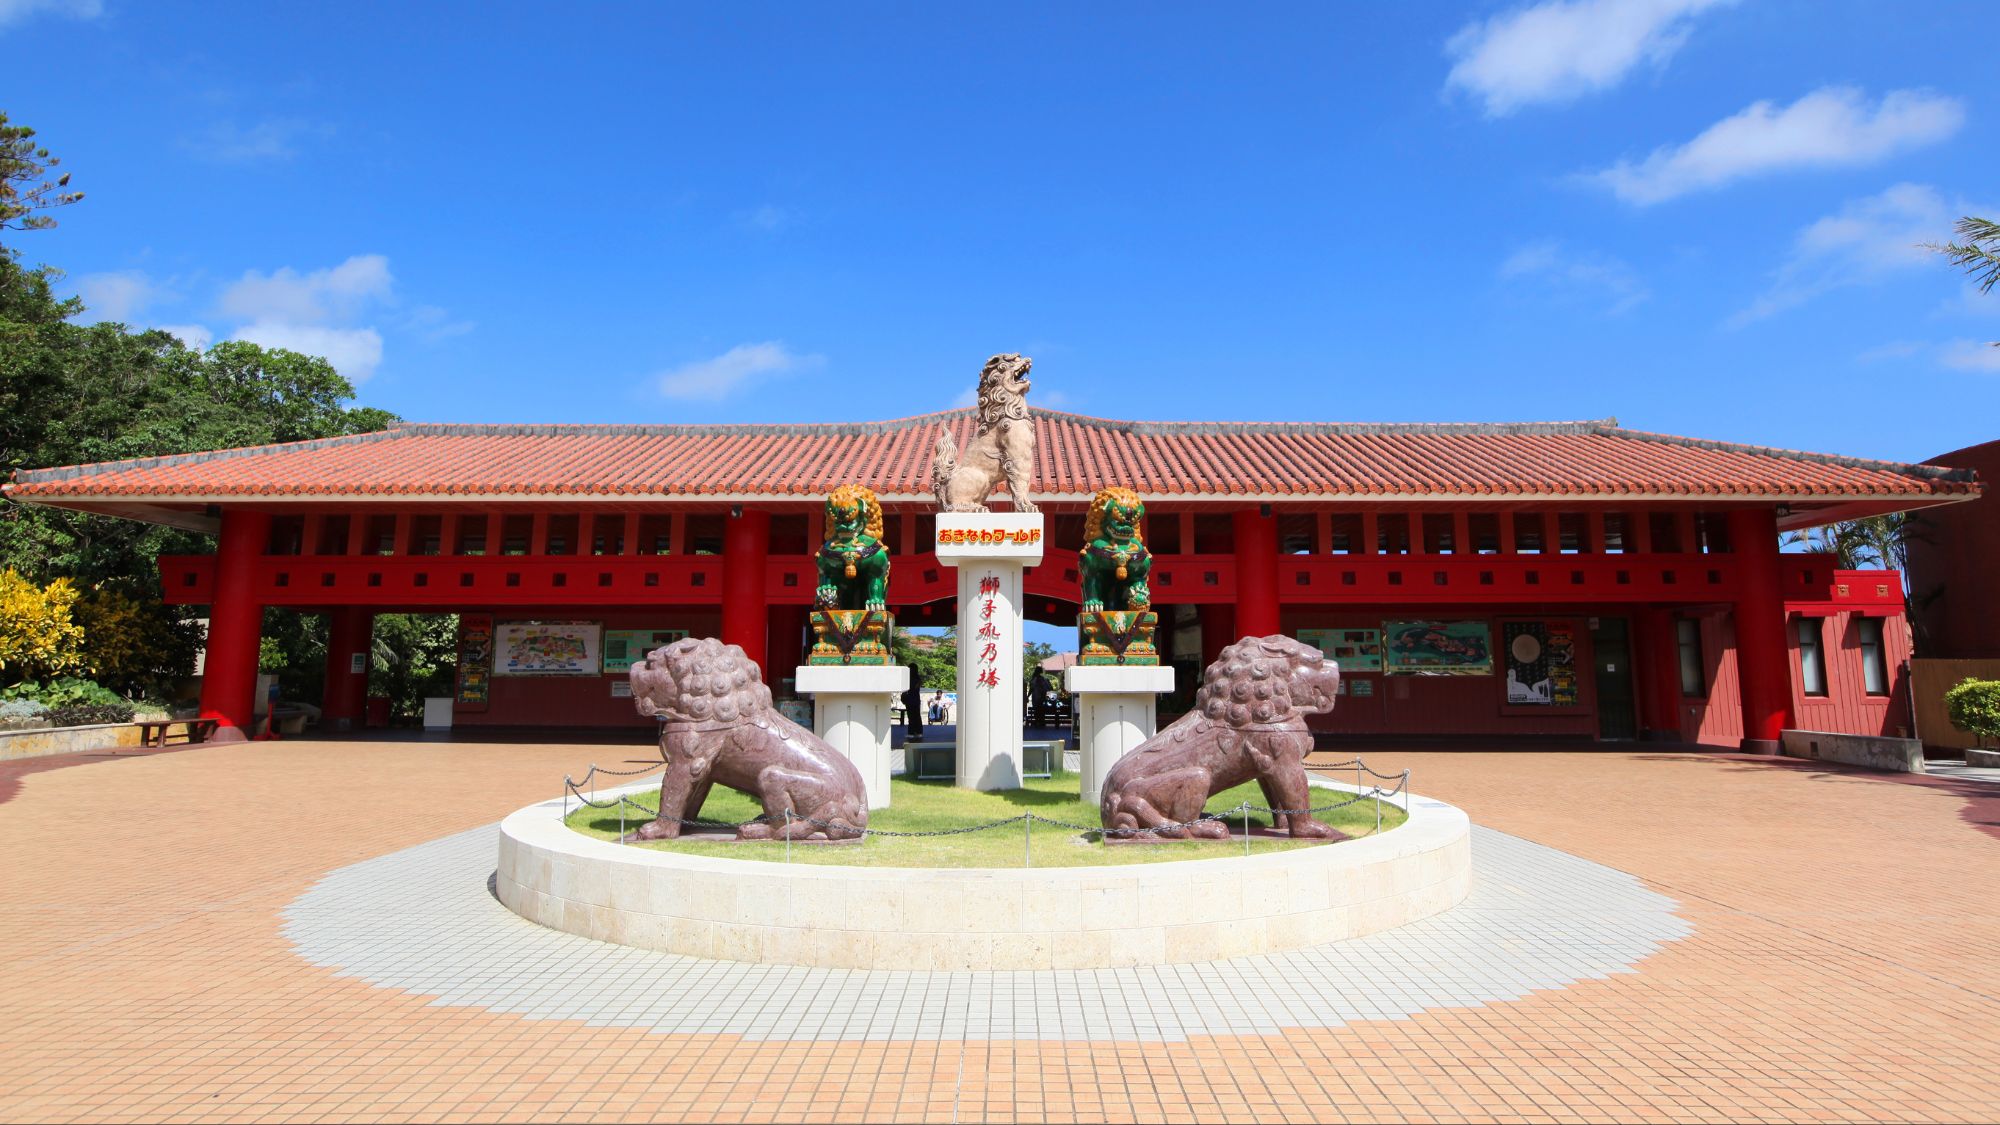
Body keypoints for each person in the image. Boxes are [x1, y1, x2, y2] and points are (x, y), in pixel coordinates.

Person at [902, 670, 923, 743]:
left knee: (911, 717)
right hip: (916, 700)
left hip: (910, 700)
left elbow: (905, 690)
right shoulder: (918, 679)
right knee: (917, 716)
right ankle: (919, 732)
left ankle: (911, 733)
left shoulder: (908, 679)